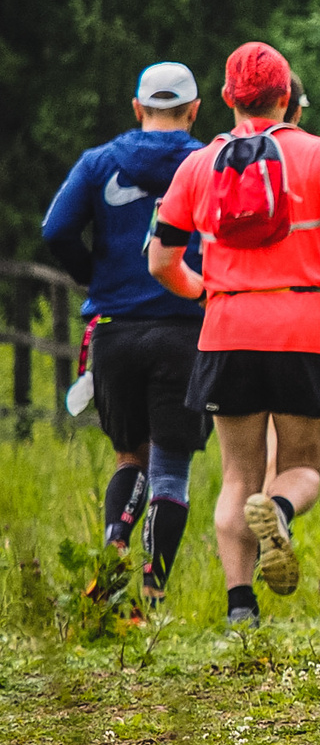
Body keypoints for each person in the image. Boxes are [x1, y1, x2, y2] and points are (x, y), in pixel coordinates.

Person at [147, 42, 320, 625]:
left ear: (226, 99)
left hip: (227, 330)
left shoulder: (196, 166)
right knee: (304, 467)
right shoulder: (318, 155)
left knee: (237, 475)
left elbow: (160, 260)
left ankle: (241, 606)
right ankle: (281, 509)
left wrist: (206, 291)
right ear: (286, 96)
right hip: (302, 329)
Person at [42, 61, 207, 612]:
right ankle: (153, 590)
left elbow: (55, 229)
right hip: (187, 330)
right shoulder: (209, 164)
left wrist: (94, 275)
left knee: (128, 457)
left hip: (114, 332)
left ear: (137, 108)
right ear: (194, 110)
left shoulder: (99, 164)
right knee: (171, 468)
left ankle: (114, 545)